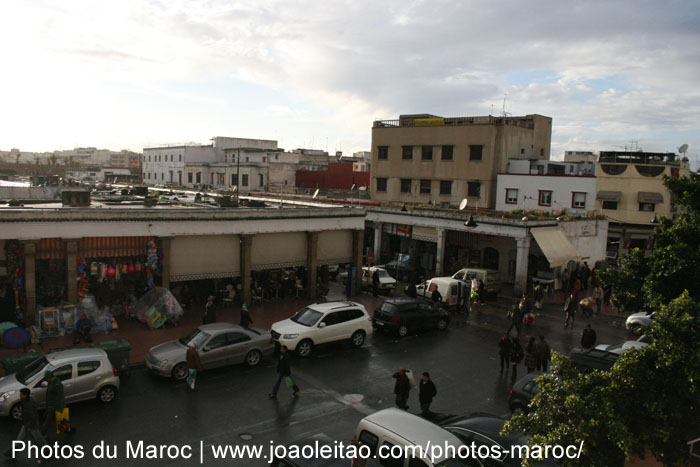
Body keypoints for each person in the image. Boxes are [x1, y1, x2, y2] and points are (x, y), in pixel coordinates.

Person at [4, 388, 47, 459]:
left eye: (21, 394)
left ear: (25, 395)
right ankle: (12, 451)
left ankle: (46, 449)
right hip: (27, 424)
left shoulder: (27, 404)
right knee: (20, 438)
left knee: (38, 438)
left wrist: (30, 426)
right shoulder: (27, 401)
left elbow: (32, 416)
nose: (20, 395)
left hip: (30, 425)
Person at [41, 371, 65, 439]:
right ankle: (66, 429)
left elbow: (60, 397)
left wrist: (60, 408)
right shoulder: (51, 382)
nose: (46, 380)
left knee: (48, 421)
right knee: (61, 419)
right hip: (52, 405)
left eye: (47, 378)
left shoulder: (57, 384)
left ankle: (42, 434)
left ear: (50, 378)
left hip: (54, 406)